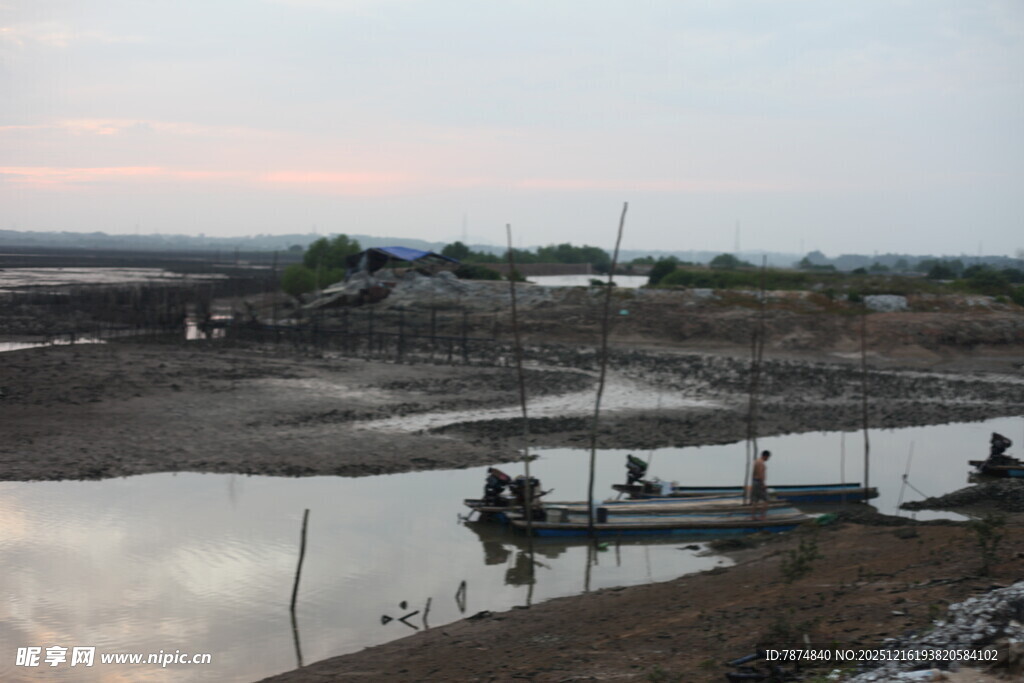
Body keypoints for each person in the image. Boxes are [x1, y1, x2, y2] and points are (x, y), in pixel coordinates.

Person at [749, 450, 771, 521]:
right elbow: (760, 474)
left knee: (755, 500)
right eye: (768, 457)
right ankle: (762, 516)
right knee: (767, 499)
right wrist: (763, 484)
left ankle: (753, 516)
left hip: (755, 482)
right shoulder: (761, 463)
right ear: (765, 456)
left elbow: (753, 474)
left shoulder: (756, 461)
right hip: (759, 482)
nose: (768, 459)